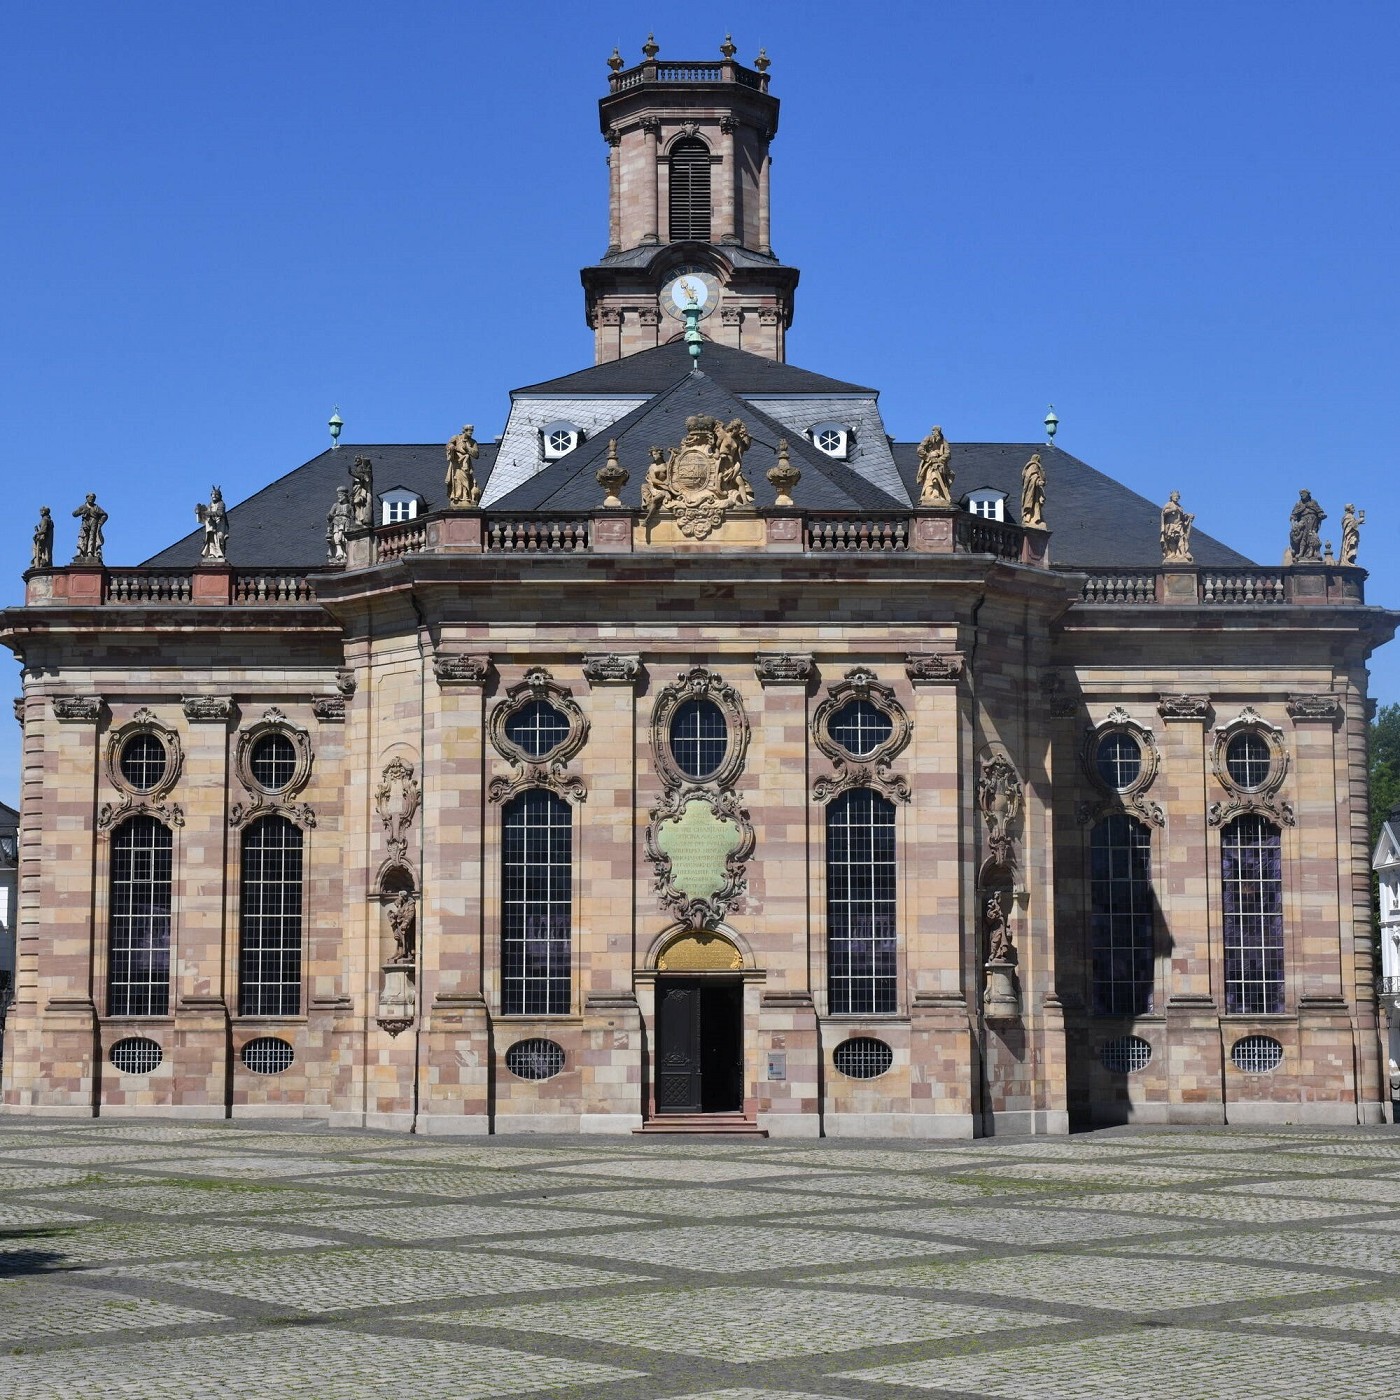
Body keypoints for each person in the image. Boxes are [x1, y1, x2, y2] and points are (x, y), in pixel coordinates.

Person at [445, 424, 482, 507]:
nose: (471, 432)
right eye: (469, 431)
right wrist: (451, 446)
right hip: (457, 464)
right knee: (457, 480)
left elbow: (476, 455)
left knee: (466, 480)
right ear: (464, 431)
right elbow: (448, 445)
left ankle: (466, 497)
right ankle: (457, 497)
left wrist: (467, 448)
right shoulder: (456, 438)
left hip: (466, 465)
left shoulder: (473, 442)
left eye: (472, 431)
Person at [916, 425, 953, 505]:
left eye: (934, 430)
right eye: (932, 431)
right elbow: (920, 450)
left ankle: (938, 495)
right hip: (929, 464)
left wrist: (939, 460)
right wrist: (929, 457)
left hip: (940, 464)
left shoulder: (944, 441)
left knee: (941, 477)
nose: (933, 432)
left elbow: (948, 454)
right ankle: (928, 495)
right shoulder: (928, 438)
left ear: (938, 432)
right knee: (930, 478)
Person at [1288, 489, 1325, 562]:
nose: (1302, 495)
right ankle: (1301, 553)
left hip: (1313, 521)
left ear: (1307, 494)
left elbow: (1319, 511)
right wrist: (1293, 525)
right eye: (1300, 494)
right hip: (1303, 521)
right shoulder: (1299, 503)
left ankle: (1313, 552)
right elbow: (1293, 515)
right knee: (1303, 537)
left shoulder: (1313, 502)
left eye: (1303, 493)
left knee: (1312, 536)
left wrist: (1321, 515)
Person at [1160, 490, 1195, 563]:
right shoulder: (1169, 504)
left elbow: (1182, 517)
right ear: (1171, 497)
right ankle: (1173, 552)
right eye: (1175, 496)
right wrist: (1172, 509)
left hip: (1178, 525)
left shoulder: (1180, 507)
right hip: (1171, 525)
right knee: (1171, 539)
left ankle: (1182, 553)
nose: (1176, 498)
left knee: (1181, 539)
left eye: (1177, 497)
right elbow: (1164, 513)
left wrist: (1188, 516)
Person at [196, 486, 229, 561]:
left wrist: (207, 513)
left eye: (216, 495)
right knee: (211, 539)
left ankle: (220, 554)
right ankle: (212, 554)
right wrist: (199, 512)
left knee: (220, 537)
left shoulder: (221, 504)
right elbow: (205, 516)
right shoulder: (210, 505)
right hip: (212, 525)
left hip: (220, 524)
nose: (214, 496)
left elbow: (220, 513)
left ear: (219, 496)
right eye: (213, 495)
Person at [72, 493, 108, 562]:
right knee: (82, 537)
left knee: (92, 537)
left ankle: (90, 552)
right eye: (91, 497)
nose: (92, 499)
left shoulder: (96, 507)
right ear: (87, 498)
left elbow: (105, 515)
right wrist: (81, 511)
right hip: (85, 523)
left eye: (93, 498)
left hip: (94, 522)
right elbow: (74, 514)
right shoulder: (83, 506)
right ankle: (79, 552)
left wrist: (100, 523)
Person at [326, 487, 353, 563]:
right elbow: (330, 515)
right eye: (338, 495)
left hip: (345, 522)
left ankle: (345, 553)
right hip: (336, 522)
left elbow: (354, 516)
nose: (339, 497)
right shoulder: (335, 505)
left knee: (343, 538)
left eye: (340, 495)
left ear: (345, 496)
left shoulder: (349, 506)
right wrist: (329, 516)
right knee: (336, 537)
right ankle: (339, 553)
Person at [1020, 451, 1046, 529]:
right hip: (1032, 490)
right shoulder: (1034, 465)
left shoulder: (1031, 466)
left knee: (1034, 504)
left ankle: (1031, 518)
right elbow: (1032, 477)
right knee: (1033, 503)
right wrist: (1038, 481)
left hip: (1032, 490)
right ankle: (1031, 518)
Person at [349, 455, 374, 527]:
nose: (356, 461)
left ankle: (360, 519)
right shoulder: (358, 468)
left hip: (359, 489)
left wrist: (351, 473)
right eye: (356, 459)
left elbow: (361, 476)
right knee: (356, 505)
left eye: (358, 459)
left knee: (358, 503)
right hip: (356, 488)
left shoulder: (360, 467)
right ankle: (358, 519)